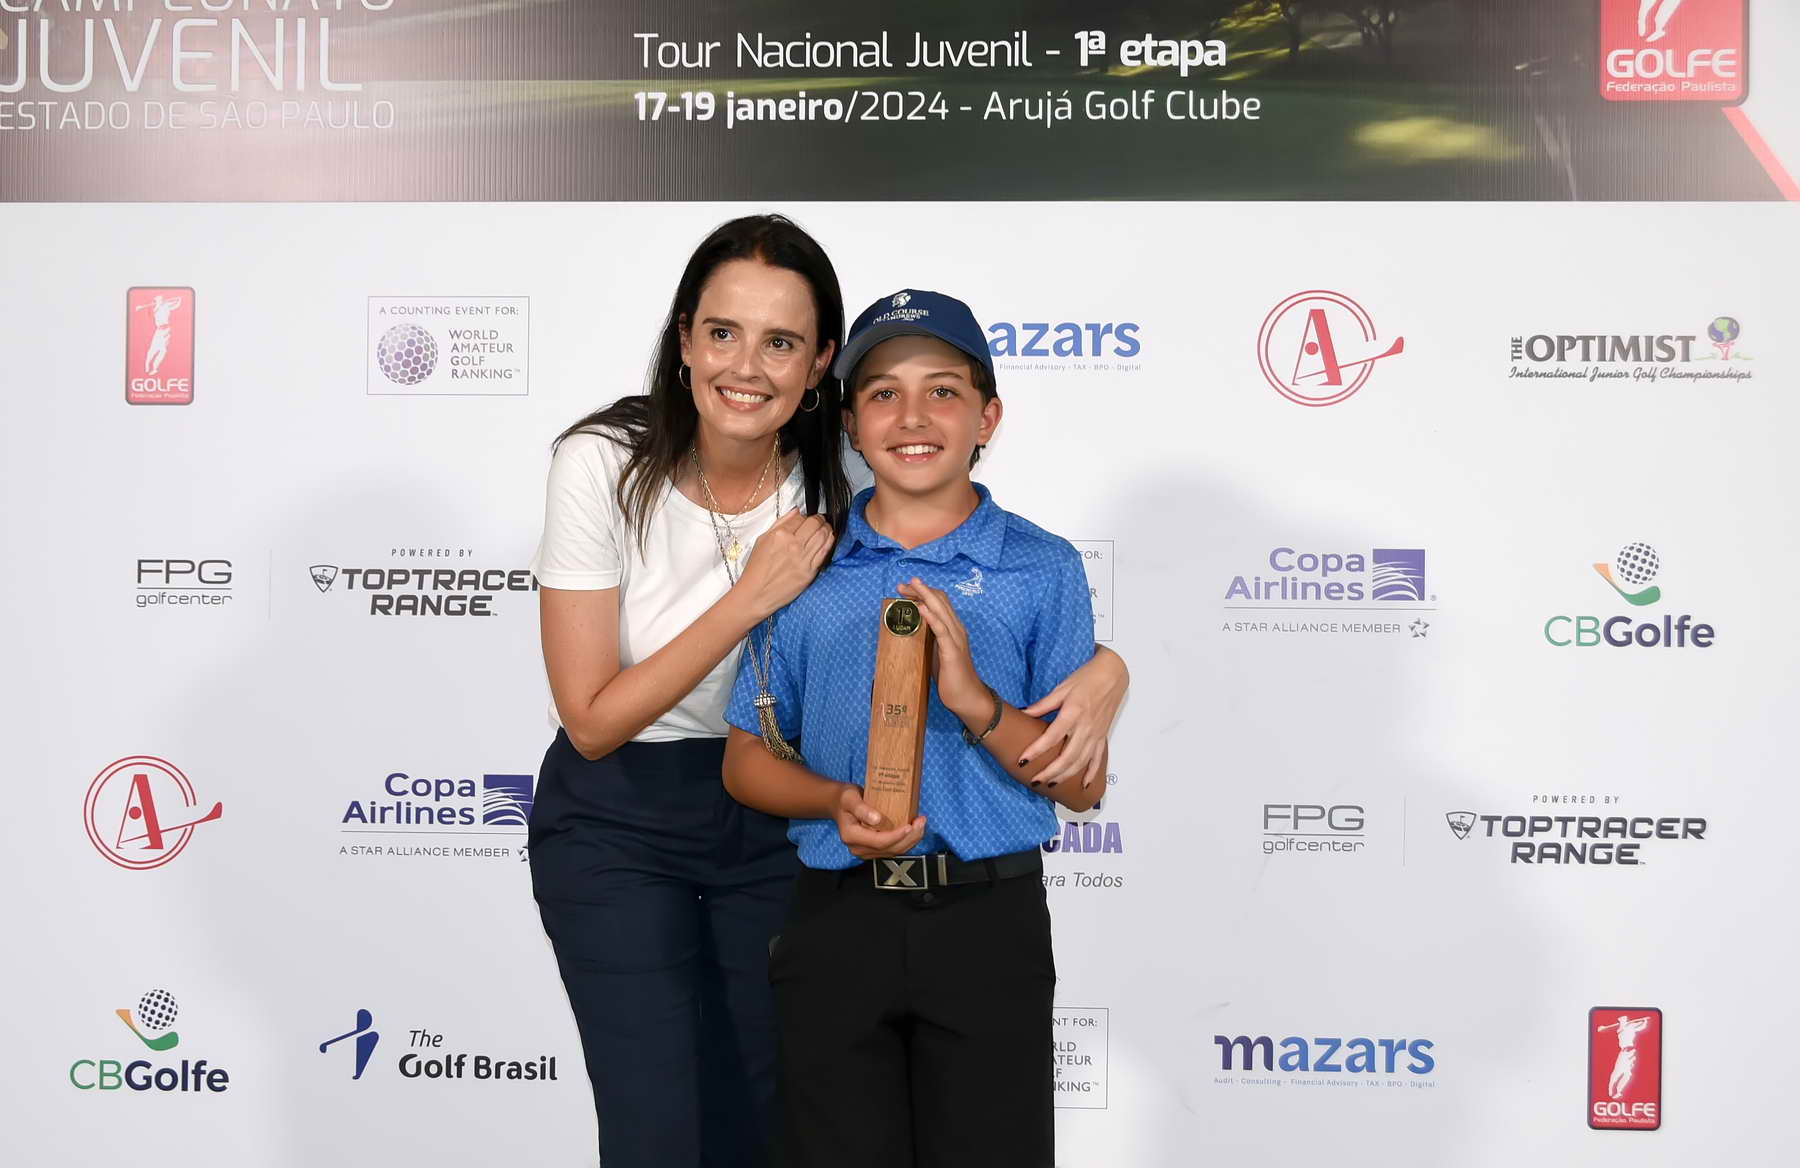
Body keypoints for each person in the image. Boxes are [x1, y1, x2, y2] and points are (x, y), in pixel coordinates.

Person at [528, 221, 1128, 1168]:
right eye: (722, 333)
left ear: (818, 370)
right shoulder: (603, 460)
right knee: (656, 1122)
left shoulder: (840, 468)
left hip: (786, 825)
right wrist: (750, 598)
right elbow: (592, 722)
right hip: (628, 806)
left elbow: (958, 519)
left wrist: (1108, 668)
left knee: (776, 1117)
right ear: (684, 340)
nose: (746, 366)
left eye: (781, 342)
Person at [721, 288, 1102, 1168]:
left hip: (987, 922)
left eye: (944, 392)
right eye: (884, 394)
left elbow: (1081, 784)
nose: (914, 417)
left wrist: (975, 702)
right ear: (851, 425)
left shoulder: (1042, 568)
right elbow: (745, 759)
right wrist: (834, 800)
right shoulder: (805, 567)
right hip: (837, 920)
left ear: (987, 418)